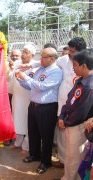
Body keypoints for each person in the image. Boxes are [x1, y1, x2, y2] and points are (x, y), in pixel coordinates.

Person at [16, 47, 62, 174]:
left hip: (47, 108)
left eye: (43, 57)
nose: (40, 59)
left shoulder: (56, 72)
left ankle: (45, 161)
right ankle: (34, 154)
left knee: (46, 136)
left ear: (52, 59)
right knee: (33, 132)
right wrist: (20, 79)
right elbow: (31, 85)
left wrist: (25, 77)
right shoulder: (40, 69)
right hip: (34, 106)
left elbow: (42, 86)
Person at [52, 37, 87, 168]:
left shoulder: (87, 63)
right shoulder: (63, 60)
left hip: (79, 107)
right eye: (69, 50)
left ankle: (78, 165)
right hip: (62, 105)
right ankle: (62, 160)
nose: (69, 53)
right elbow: (50, 63)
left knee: (77, 137)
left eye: (72, 51)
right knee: (62, 134)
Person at [58, 50, 93, 180]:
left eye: (75, 65)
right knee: (71, 157)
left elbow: (81, 112)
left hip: (78, 127)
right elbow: (69, 100)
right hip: (71, 124)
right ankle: (68, 177)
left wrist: (65, 121)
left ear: (84, 66)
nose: (73, 68)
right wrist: (62, 115)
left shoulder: (90, 86)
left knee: (75, 159)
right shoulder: (81, 80)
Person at [7, 43, 37, 155]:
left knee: (27, 121)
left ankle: (26, 146)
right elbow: (8, 78)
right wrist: (10, 69)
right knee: (17, 120)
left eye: (26, 52)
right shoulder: (17, 63)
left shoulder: (35, 65)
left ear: (32, 55)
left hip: (28, 97)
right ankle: (17, 143)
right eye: (23, 52)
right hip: (17, 97)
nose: (23, 54)